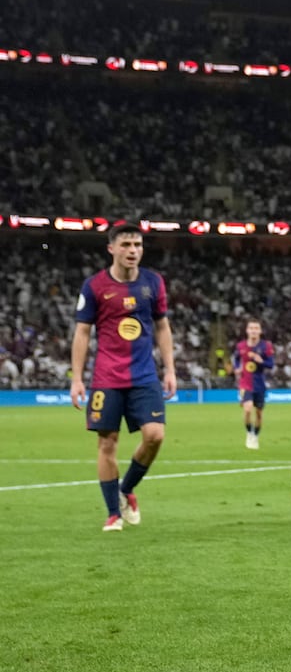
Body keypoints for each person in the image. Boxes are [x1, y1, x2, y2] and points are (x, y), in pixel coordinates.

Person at [69, 222, 178, 531]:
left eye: (138, 245)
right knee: (107, 444)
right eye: (127, 245)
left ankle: (126, 488)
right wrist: (77, 378)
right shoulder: (94, 286)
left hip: (144, 375)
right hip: (106, 377)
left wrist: (169, 368)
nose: (133, 251)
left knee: (155, 435)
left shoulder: (154, 283)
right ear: (112, 248)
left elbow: (162, 327)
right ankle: (112, 513)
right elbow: (82, 332)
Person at [234, 318, 274, 449]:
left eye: (256, 328)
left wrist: (260, 360)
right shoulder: (241, 346)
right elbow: (236, 358)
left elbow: (271, 364)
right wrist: (237, 368)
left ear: (260, 331)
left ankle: (255, 435)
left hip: (260, 384)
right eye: (251, 328)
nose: (253, 331)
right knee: (247, 409)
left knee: (258, 413)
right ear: (247, 330)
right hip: (245, 384)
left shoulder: (266, 346)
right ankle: (249, 433)